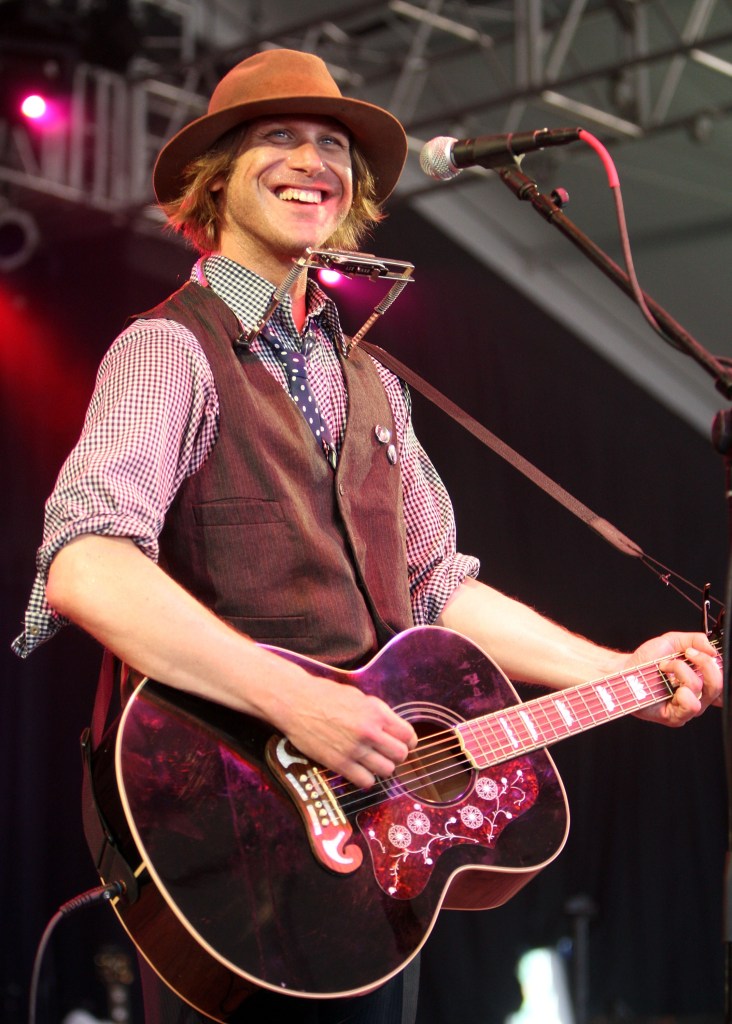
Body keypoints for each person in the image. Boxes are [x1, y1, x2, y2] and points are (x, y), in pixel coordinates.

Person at [13, 48, 721, 1024]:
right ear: (216, 177)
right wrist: (294, 702)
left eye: (335, 145)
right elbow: (87, 565)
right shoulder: (170, 349)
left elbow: (436, 587)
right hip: (235, 832)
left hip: (376, 847)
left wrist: (617, 669)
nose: (317, 158)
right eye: (283, 136)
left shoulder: (373, 381)